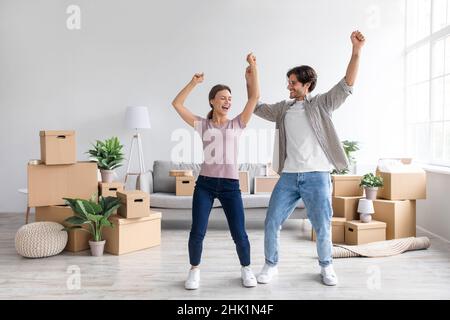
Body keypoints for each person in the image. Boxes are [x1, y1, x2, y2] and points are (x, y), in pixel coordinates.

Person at [253, 31, 365, 286]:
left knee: (322, 225)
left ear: (307, 85)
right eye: (288, 82)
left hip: (317, 175)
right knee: (271, 221)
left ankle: (326, 267)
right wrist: (253, 71)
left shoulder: (322, 104)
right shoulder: (283, 109)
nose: (289, 86)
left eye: (293, 82)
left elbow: (347, 84)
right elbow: (256, 105)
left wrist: (356, 51)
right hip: (289, 176)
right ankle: (271, 265)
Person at [171, 53, 260, 290]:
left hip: (231, 185)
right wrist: (193, 83)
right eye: (223, 98)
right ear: (212, 101)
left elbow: (254, 97)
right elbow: (177, 104)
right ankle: (194, 271)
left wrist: (252, 69)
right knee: (197, 231)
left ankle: (246, 269)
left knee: (239, 232)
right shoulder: (203, 124)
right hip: (206, 185)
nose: (228, 101)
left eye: (230, 98)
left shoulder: (237, 124)